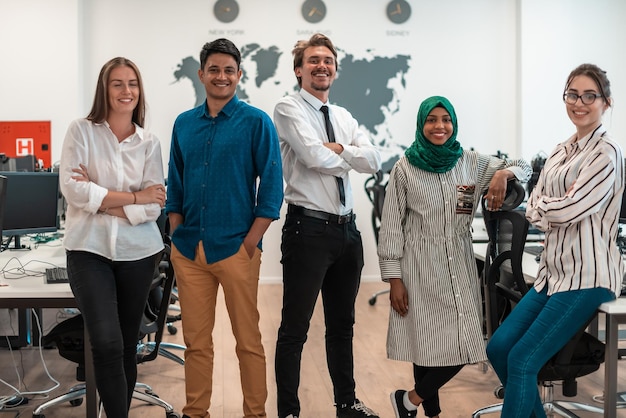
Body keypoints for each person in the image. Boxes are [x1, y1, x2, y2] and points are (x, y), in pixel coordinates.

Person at [377, 95, 532, 418]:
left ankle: (409, 400)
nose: (439, 126)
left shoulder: (472, 162)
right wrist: (394, 279)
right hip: (418, 266)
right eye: (432, 120)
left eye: (445, 119)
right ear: (422, 125)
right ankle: (430, 412)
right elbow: (391, 227)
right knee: (424, 343)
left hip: (458, 261)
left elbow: (525, 166)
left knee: (466, 345)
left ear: (454, 124)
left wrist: (503, 175)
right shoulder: (405, 168)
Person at [486, 63, 624, 417]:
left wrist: (547, 207)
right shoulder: (562, 149)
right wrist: (549, 206)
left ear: (605, 102)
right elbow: (536, 204)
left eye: (589, 95)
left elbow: (566, 210)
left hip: (588, 277)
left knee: (521, 360)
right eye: (573, 94)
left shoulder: (605, 154)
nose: (580, 102)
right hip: (554, 274)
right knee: (499, 348)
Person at [165, 38, 283, 418]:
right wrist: (176, 230)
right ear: (201, 74)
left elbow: (272, 188)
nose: (221, 76)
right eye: (213, 69)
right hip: (189, 252)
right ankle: (195, 412)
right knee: (196, 343)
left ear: (239, 75)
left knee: (248, 342)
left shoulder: (256, 122)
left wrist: (250, 243)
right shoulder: (184, 124)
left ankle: (255, 413)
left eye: (229, 70)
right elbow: (176, 184)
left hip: (236, 249)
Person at [273, 33, 382, 418]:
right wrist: (345, 154)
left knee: (342, 326)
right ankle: (288, 411)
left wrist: (342, 151)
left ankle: (346, 405)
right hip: (309, 231)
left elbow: (375, 159)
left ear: (335, 69)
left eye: (328, 60)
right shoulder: (288, 109)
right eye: (313, 60)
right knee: (294, 330)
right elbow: (314, 157)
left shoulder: (343, 116)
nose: (322, 65)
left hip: (347, 234)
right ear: (299, 69)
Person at [59, 57, 166, 418]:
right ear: (104, 89)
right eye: (117, 83)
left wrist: (99, 198)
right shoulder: (81, 131)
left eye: (132, 83)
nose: (126, 91)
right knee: (105, 342)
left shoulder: (149, 143)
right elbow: (74, 191)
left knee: (125, 347)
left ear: (140, 91)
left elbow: (155, 207)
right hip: (88, 249)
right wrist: (134, 197)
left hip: (138, 252)